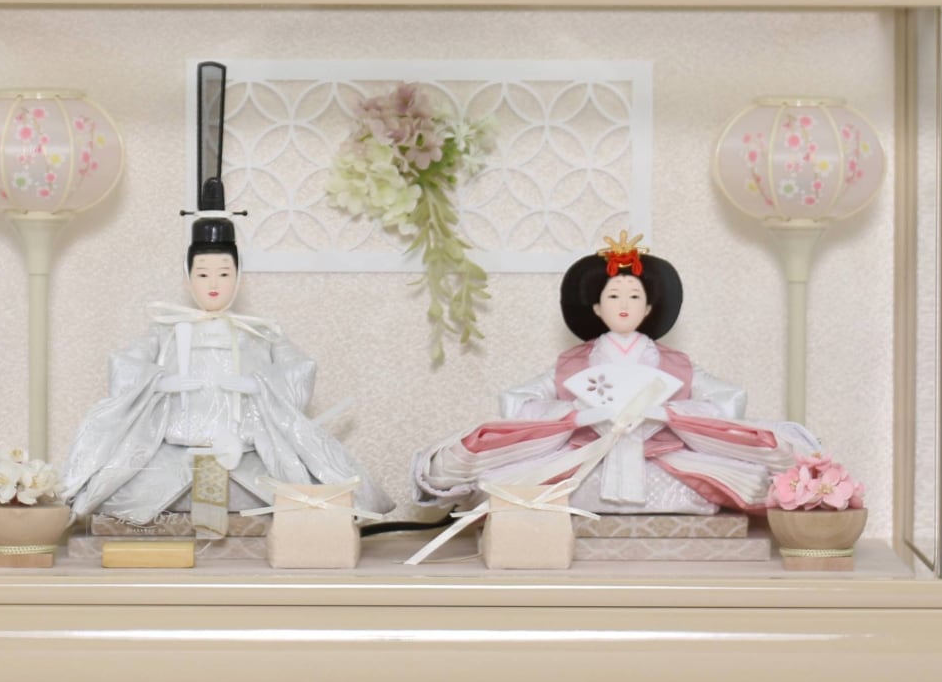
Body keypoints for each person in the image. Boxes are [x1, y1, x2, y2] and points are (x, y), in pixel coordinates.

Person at [61, 209, 392, 524]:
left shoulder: (260, 332)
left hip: (246, 454)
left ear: (238, 277)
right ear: (188, 278)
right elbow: (123, 365)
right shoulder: (165, 331)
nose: (213, 284)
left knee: (298, 496)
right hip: (173, 454)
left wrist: (260, 384)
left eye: (224, 274)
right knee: (122, 493)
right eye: (202, 274)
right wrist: (159, 383)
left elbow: (300, 367)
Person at [413, 231, 769, 514]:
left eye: (634, 297)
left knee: (718, 483)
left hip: (660, 459)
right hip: (588, 458)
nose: (624, 305)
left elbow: (729, 398)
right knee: (511, 483)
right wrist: (576, 415)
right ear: (596, 307)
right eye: (613, 297)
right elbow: (516, 401)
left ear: (649, 307)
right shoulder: (572, 363)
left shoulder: (676, 363)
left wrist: (669, 414)